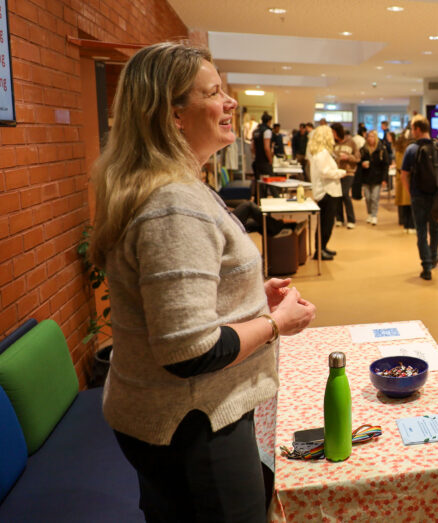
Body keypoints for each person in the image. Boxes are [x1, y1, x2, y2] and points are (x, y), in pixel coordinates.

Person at [89, 42, 317, 522]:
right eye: (214, 93)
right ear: (173, 115)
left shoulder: (173, 188)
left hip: (176, 418)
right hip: (194, 424)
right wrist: (275, 324)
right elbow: (190, 351)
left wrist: (250, 298)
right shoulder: (174, 204)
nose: (230, 102)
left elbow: (176, 301)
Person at [400, 116, 438, 281]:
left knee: (421, 231)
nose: (412, 132)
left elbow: (404, 175)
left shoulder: (411, 149)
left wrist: (411, 192)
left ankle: (426, 266)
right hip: (435, 196)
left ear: (417, 129)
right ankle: (434, 256)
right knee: (435, 229)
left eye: (412, 128)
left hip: (418, 196)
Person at [308, 125, 345, 260]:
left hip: (326, 192)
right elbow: (325, 172)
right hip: (327, 192)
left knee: (325, 223)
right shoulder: (322, 153)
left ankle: (322, 247)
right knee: (326, 223)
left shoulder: (319, 153)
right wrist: (340, 173)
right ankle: (320, 250)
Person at [331, 122, 360, 229]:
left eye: (333, 132)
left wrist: (348, 157)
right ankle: (339, 218)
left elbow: (357, 158)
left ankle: (351, 219)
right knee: (338, 195)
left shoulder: (351, 142)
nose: (332, 135)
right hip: (337, 173)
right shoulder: (333, 144)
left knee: (345, 194)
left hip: (349, 172)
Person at [359, 130, 390, 225]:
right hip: (366, 177)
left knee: (374, 197)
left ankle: (374, 215)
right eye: (368, 136)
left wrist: (384, 179)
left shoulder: (381, 149)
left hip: (377, 177)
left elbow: (385, 165)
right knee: (368, 197)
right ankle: (369, 213)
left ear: (375, 138)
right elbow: (358, 161)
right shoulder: (363, 149)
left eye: (372, 136)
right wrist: (362, 164)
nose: (370, 138)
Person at [393, 130, 416, 234]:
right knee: (411, 203)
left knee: (404, 204)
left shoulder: (398, 148)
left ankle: (406, 225)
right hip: (409, 178)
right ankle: (411, 225)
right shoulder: (411, 149)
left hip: (400, 178)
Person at [251, 111, 274, 199]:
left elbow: (252, 147)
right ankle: (276, 200)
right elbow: (267, 147)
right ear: (269, 121)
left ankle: (258, 201)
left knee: (259, 183)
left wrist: (256, 156)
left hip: (257, 161)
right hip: (265, 161)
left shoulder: (255, 131)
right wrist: (270, 160)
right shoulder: (267, 131)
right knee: (271, 182)